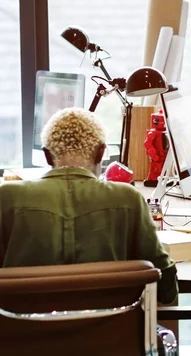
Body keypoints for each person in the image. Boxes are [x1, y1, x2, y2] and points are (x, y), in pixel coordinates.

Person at [0, 108, 177, 305]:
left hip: (24, 333)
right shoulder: (129, 199)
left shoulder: (6, 198)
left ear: (48, 156)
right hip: (112, 334)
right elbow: (166, 289)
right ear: (101, 153)